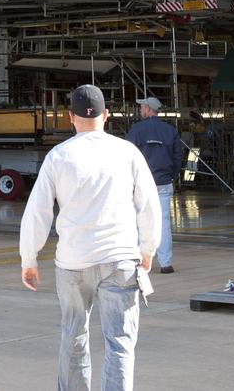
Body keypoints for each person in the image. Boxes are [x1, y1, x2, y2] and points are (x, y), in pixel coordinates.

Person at [20, 85, 161, 391]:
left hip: (73, 262)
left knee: (73, 337)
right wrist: (148, 248)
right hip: (120, 259)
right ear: (106, 115)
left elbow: (38, 212)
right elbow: (149, 204)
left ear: (70, 117)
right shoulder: (127, 152)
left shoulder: (58, 156)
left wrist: (29, 259)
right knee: (120, 343)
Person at [125, 96, 185, 274]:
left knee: (137, 222)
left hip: (140, 184)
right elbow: (177, 158)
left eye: (142, 107)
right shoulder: (170, 130)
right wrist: (170, 176)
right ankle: (166, 263)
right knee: (163, 222)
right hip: (163, 183)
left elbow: (127, 156)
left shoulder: (136, 130)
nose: (140, 110)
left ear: (149, 109)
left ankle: (138, 262)